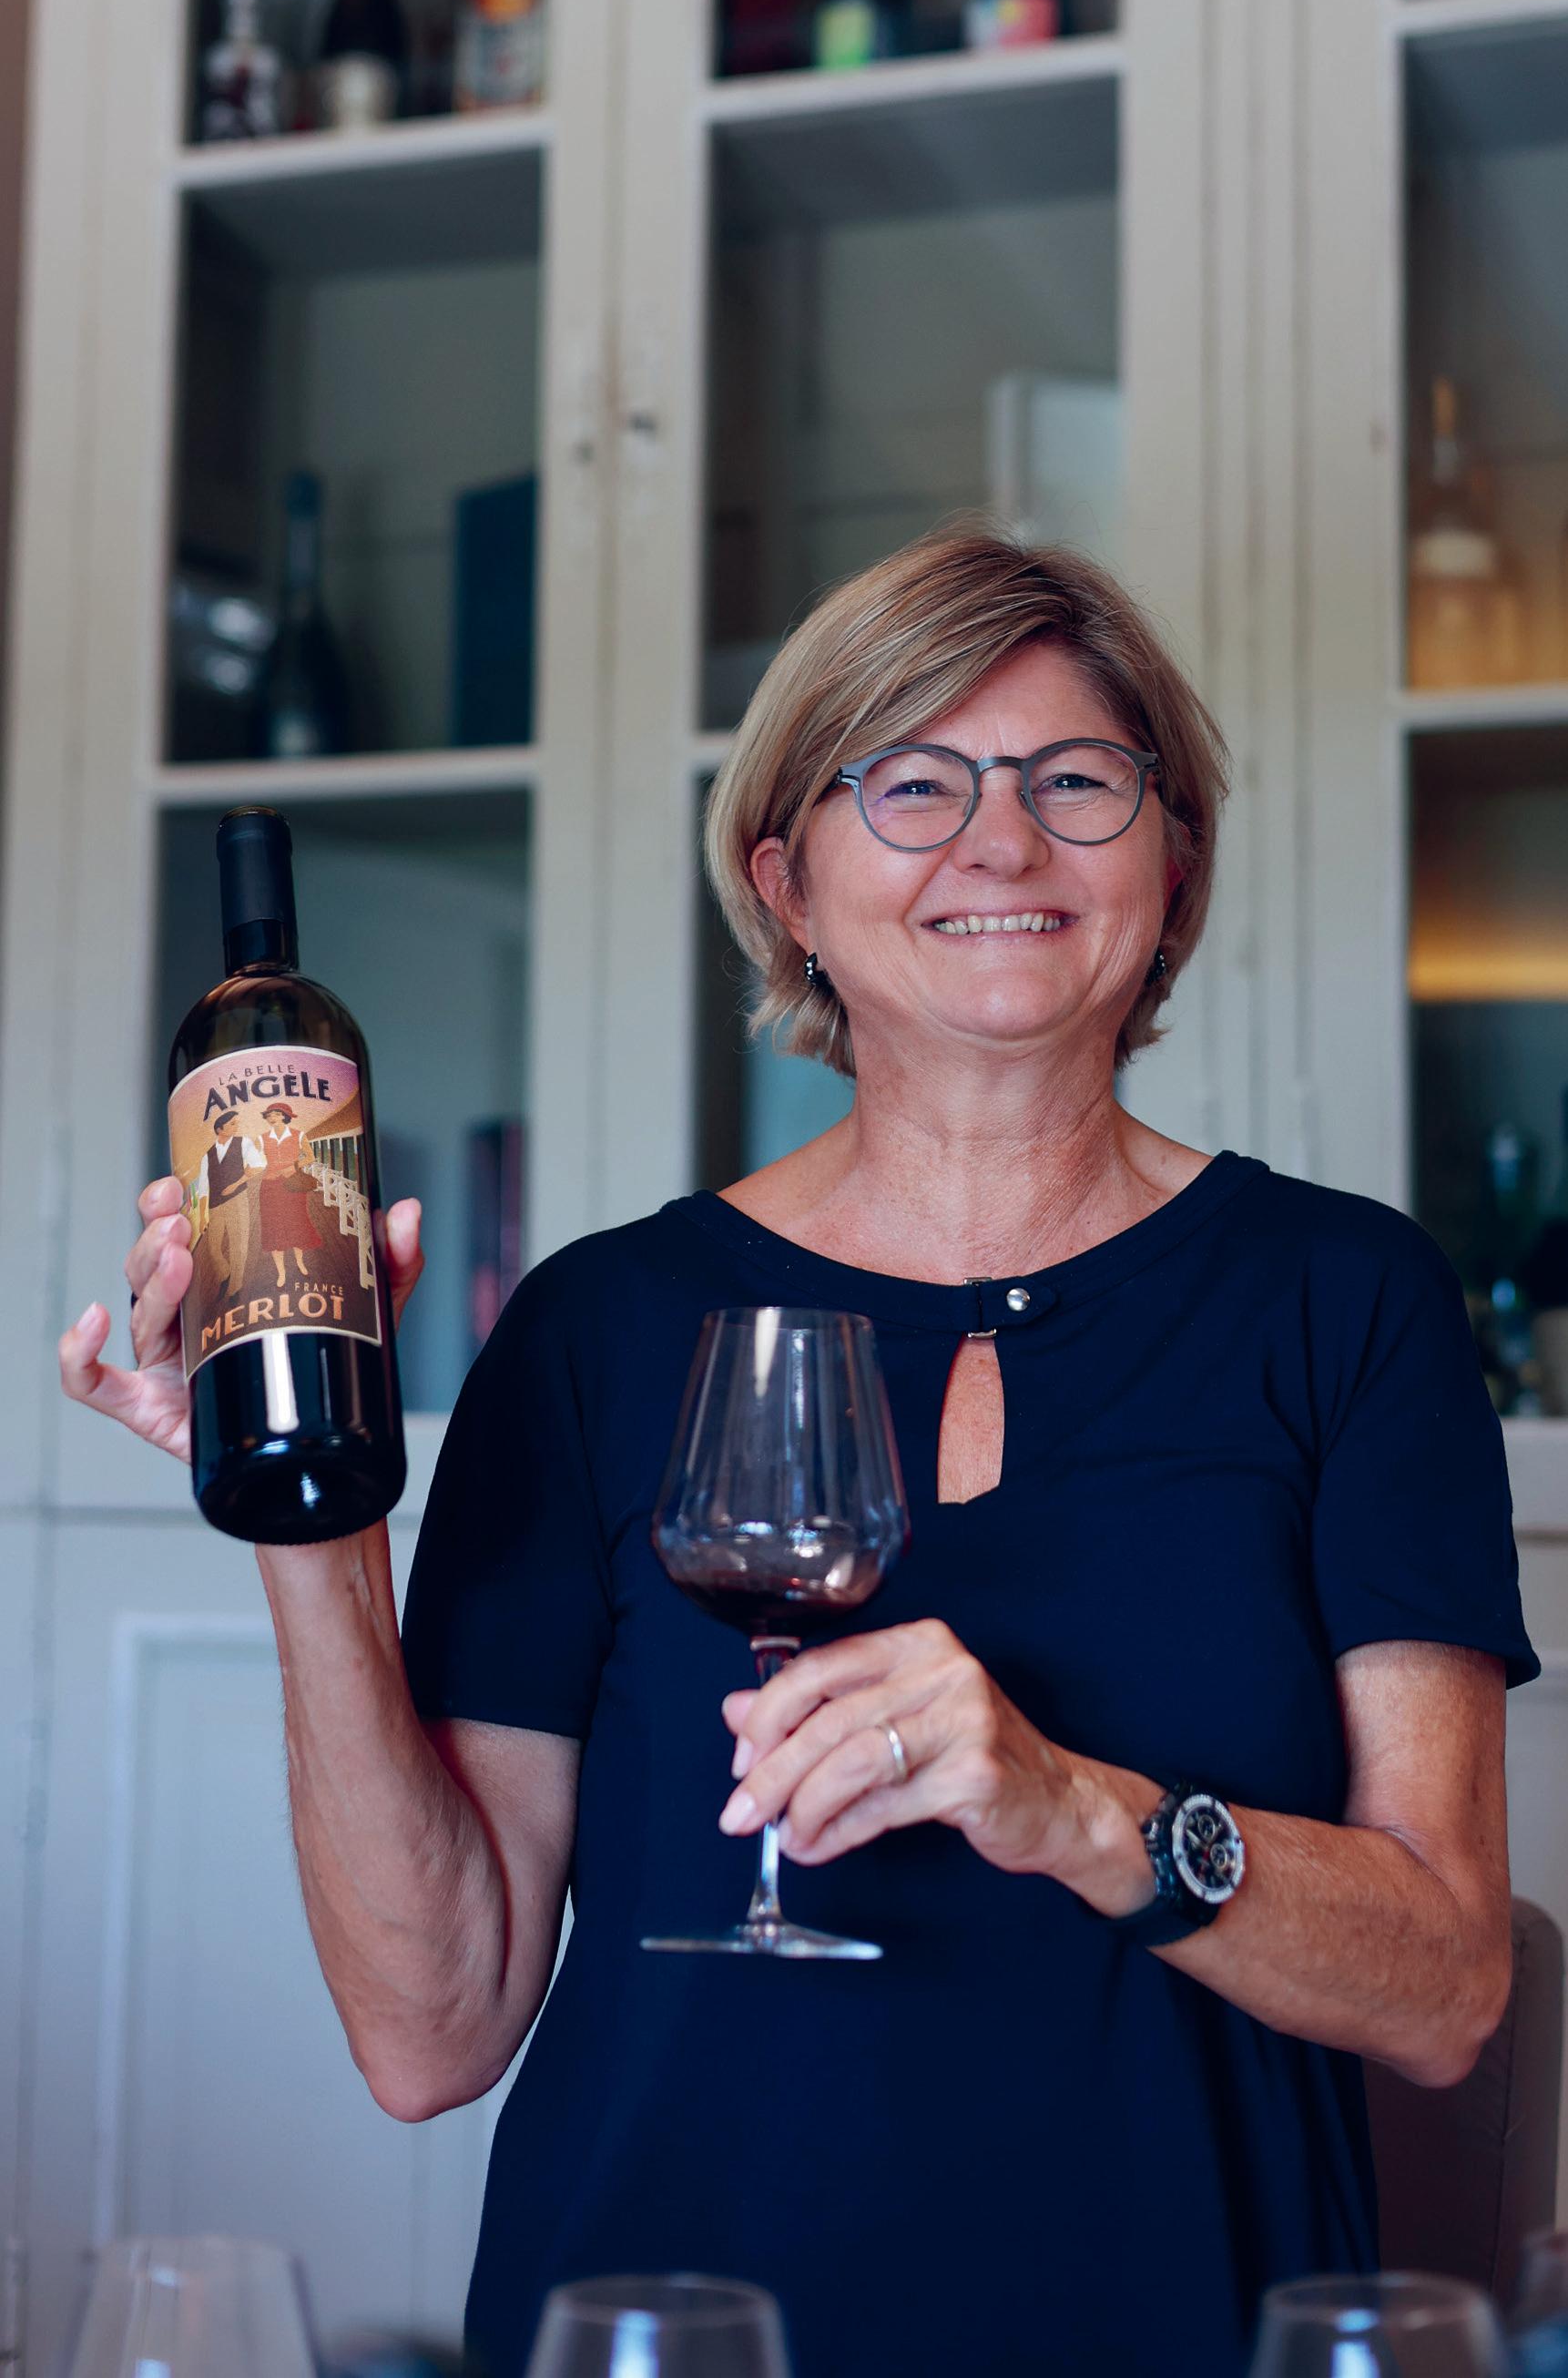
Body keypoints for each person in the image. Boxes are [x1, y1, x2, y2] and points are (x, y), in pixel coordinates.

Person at [60, 529, 1536, 2378]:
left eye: (1076, 782)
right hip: (671, 2337)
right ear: (788, 881)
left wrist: (1081, 1813)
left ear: (1171, 860)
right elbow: (428, 2032)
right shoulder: (602, 1329)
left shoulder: (1344, 1302)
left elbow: (1445, 1987)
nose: (1000, 844)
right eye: (911, 785)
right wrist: (312, 1527)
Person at [192, 1106, 266, 1295]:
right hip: (214, 1205)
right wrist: (202, 1217)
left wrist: (238, 1183)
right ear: (220, 1129)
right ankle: (225, 1274)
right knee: (213, 1248)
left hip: (237, 1199)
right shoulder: (207, 1156)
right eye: (232, 1124)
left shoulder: (243, 1143)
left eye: (236, 1123)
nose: (236, 1127)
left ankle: (235, 1287)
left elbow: (258, 1165)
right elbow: (203, 1187)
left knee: (238, 1243)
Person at [257, 1099, 324, 1288]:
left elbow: (310, 1157)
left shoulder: (299, 1135)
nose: (272, 1118)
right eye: (269, 1115)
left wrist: (293, 1166)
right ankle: (281, 1272)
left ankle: (300, 1263)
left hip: (293, 1185)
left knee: (297, 1223)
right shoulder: (262, 1138)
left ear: (285, 1117)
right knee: (274, 1227)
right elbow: (252, 1160)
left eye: (277, 1114)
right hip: (270, 1187)